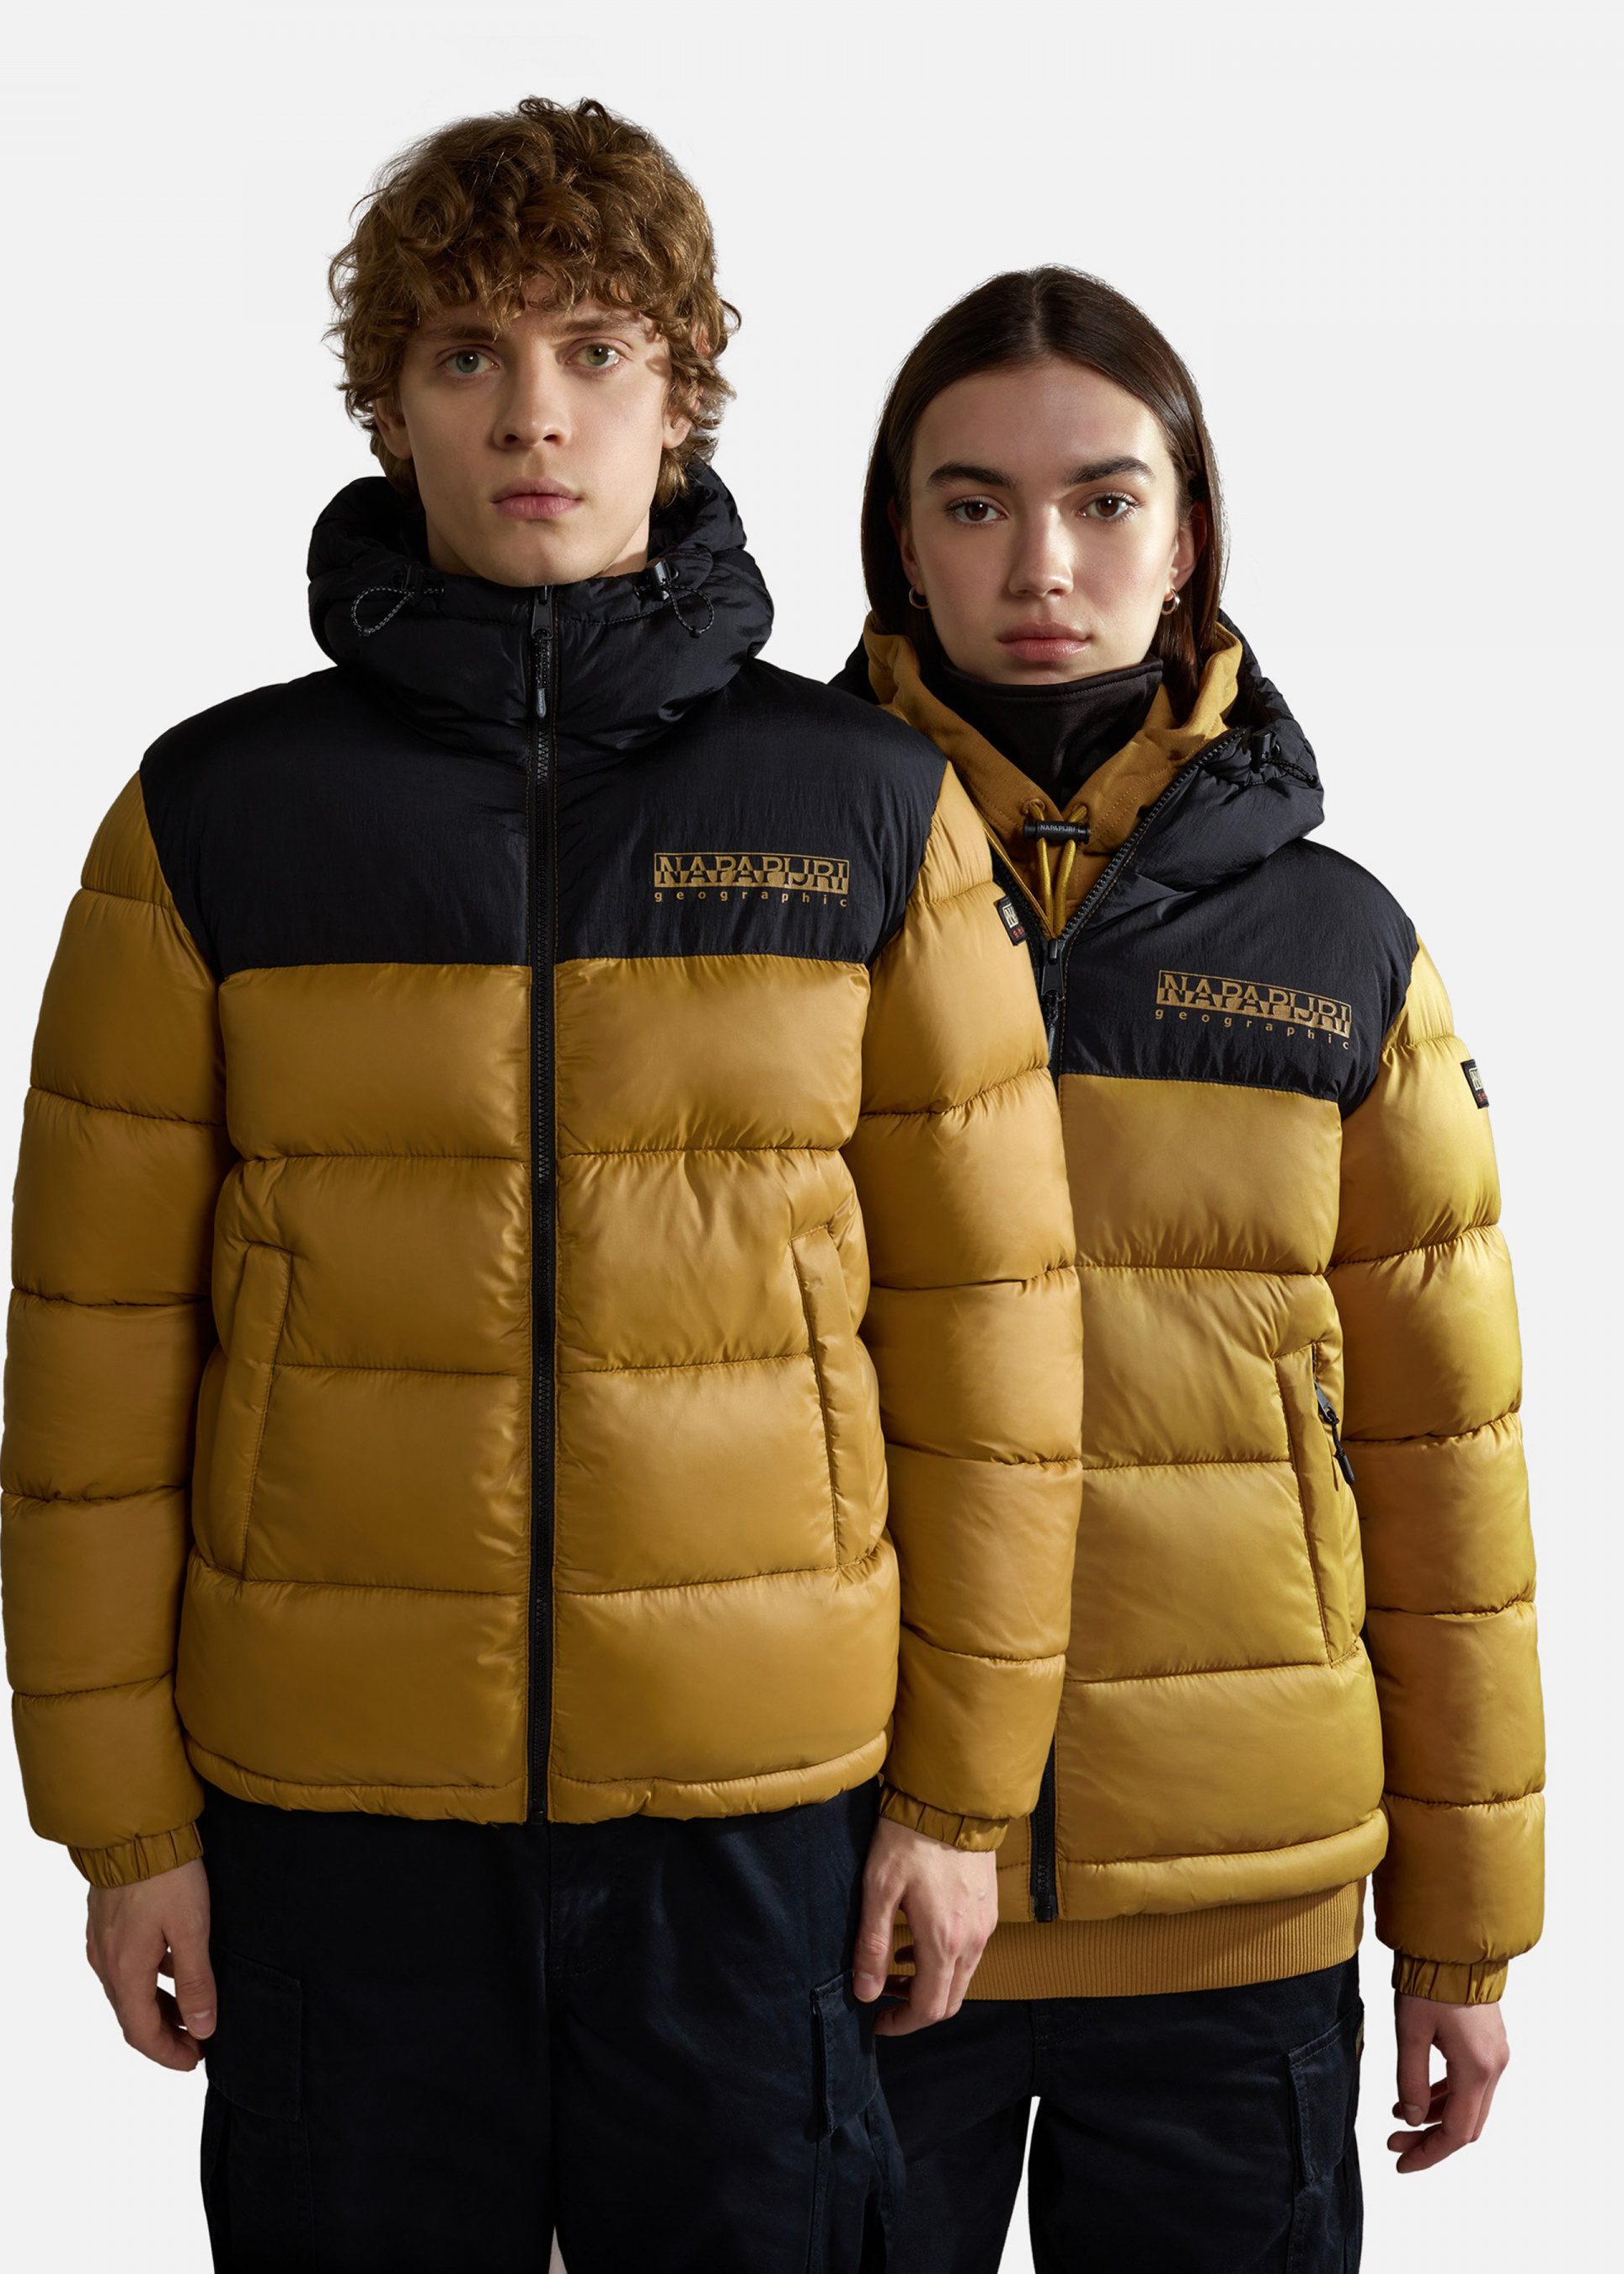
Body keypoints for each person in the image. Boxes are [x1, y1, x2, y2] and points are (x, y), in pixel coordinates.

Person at [0, 107, 1084, 2272]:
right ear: (390, 404)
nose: (531, 416)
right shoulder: (212, 819)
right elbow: (94, 1377)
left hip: (757, 1821)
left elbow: (992, 1352)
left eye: (594, 351)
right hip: (335, 1821)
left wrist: (962, 1803)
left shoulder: (865, 810)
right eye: (467, 356)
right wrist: (122, 1831)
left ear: (681, 400)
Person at [835, 266, 1542, 2273]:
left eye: (1101, 501)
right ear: (899, 540)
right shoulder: (782, 891)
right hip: (854, 1892)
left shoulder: (1337, 947)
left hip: (1239, 1926)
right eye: (971, 504)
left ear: (1186, 537)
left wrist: (1461, 1933)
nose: (1037, 565)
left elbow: (1441, 1468)